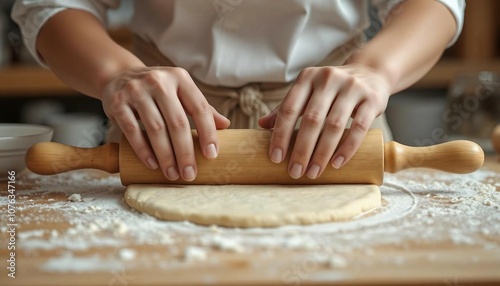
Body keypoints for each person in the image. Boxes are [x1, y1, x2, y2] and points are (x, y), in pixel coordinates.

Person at [12, 0, 464, 182]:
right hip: (161, 126)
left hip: (335, 123)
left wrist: (375, 71)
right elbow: (52, 3)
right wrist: (115, 74)